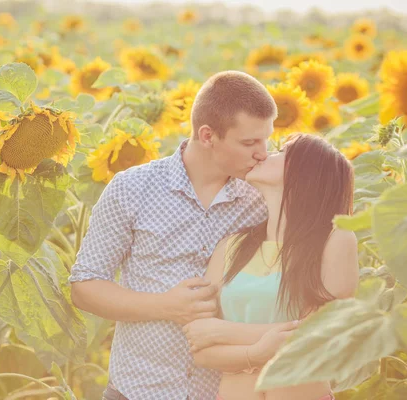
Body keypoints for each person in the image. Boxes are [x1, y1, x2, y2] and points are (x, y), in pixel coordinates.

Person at [69, 70, 277, 400]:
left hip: (223, 391)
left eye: (266, 139)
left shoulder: (262, 200)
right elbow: (85, 285)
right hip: (138, 389)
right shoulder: (132, 188)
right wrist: (166, 306)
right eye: (249, 142)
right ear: (208, 136)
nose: (262, 153)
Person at [182, 133, 360, 400]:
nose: (265, 154)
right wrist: (258, 352)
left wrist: (225, 331)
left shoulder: (335, 239)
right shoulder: (231, 246)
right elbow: (201, 349)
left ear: (306, 173)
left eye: (281, 151)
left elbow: (322, 335)